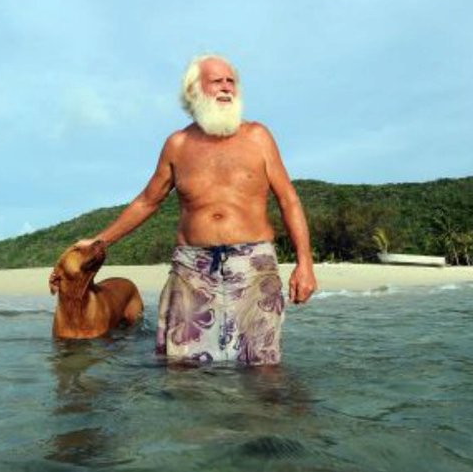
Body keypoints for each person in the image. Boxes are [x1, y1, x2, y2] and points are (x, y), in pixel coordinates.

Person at [75, 54, 317, 365]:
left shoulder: (258, 136)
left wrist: (304, 263)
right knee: (182, 367)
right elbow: (147, 200)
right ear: (194, 91)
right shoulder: (177, 144)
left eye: (231, 81)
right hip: (191, 269)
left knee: (262, 367)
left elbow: (289, 200)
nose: (227, 87)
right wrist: (100, 241)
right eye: (217, 81)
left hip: (253, 266)